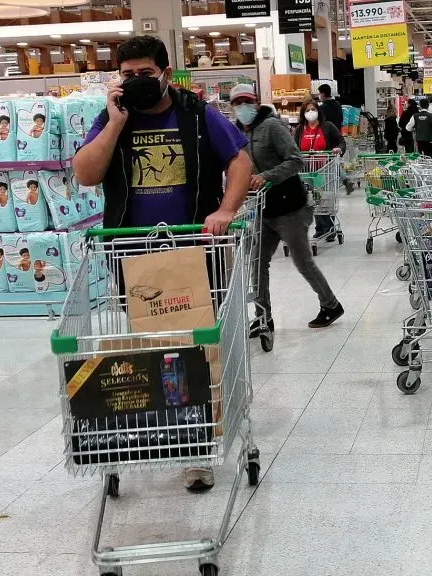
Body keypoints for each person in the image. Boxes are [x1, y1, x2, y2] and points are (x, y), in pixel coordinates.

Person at [73, 35, 253, 492]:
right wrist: (114, 123)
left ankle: (196, 450)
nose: (136, 82)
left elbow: (240, 160)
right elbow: (87, 173)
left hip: (195, 253)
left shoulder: (195, 113)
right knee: (148, 353)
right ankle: (160, 434)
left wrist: (226, 210)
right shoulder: (112, 117)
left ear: (166, 74)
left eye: (145, 74)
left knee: (195, 353)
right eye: (127, 74)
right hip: (132, 257)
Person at [229, 84, 344, 332]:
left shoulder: (272, 127)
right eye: (237, 103)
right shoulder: (236, 133)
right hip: (263, 208)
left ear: (257, 102)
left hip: (291, 206)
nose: (242, 108)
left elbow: (295, 160)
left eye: (246, 102)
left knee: (302, 261)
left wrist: (267, 176)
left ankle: (331, 304)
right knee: (258, 263)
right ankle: (263, 318)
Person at [293, 99, 347, 240]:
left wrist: (338, 149)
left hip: (325, 168)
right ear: (303, 113)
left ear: (318, 111)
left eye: (313, 109)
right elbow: (293, 147)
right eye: (307, 110)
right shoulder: (299, 129)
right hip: (306, 170)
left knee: (325, 198)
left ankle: (328, 227)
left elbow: (341, 141)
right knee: (312, 199)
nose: (310, 113)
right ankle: (320, 228)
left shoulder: (327, 126)